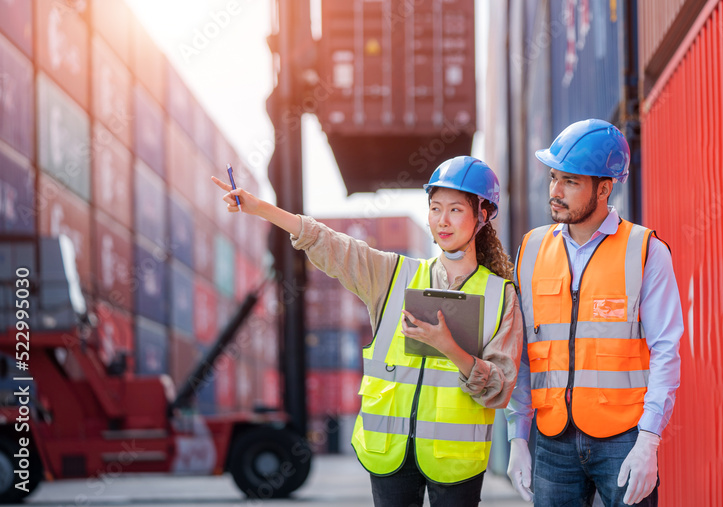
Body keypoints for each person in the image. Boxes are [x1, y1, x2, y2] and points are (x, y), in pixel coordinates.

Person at [212, 156, 522, 507]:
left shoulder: (501, 295)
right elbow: (329, 244)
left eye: (455, 210)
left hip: (455, 460)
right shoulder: (393, 275)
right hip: (388, 451)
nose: (442, 221)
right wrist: (260, 208)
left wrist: (449, 347)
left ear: (483, 215)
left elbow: (499, 387)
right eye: (435, 208)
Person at [504, 119, 683, 507]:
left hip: (624, 439)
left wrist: (648, 441)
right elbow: (521, 352)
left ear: (604, 188)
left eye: (570, 182)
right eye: (554, 178)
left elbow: (666, 352)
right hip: (552, 441)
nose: (555, 191)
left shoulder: (645, 251)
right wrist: (518, 436)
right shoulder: (530, 250)